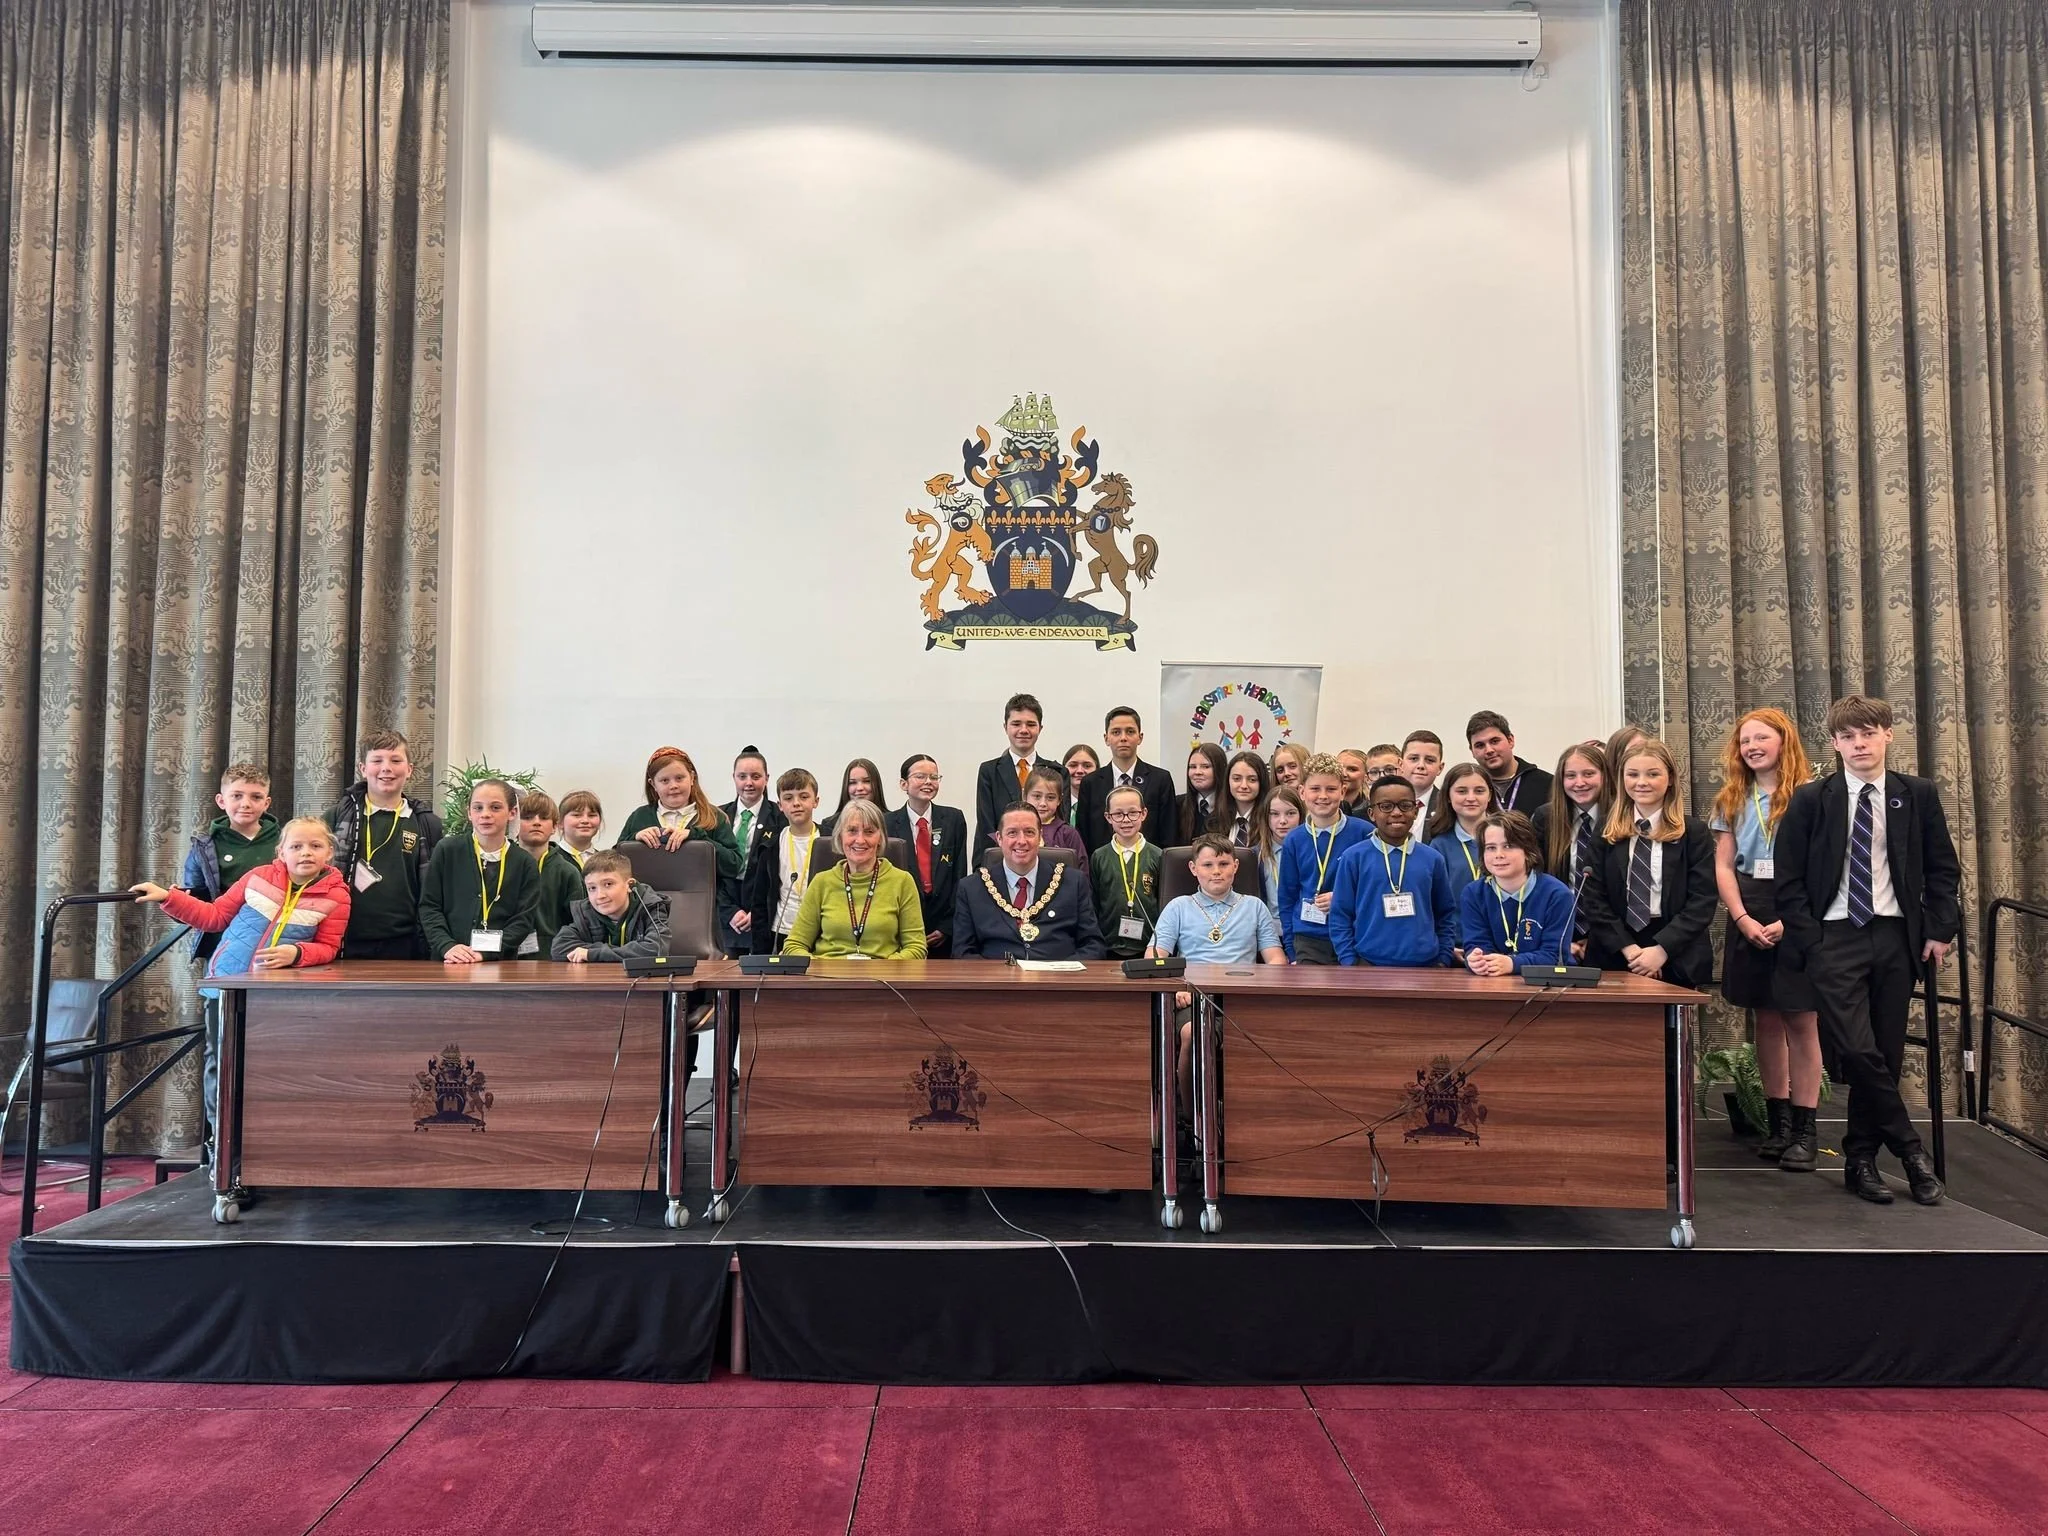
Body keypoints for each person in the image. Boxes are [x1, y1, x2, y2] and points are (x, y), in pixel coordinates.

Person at [1775, 695, 1960, 1207]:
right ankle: (1912, 1151)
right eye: (1849, 737)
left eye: (1869, 734)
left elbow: (1943, 869)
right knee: (1856, 1050)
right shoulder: (1813, 799)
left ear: (1887, 736)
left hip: (1896, 937)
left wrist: (1940, 930)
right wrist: (1810, 940)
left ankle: (1860, 1161)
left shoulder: (1915, 794)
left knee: (1885, 1053)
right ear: (1834, 743)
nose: (1860, 744)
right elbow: (1788, 879)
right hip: (1834, 936)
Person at [143, 814, 347, 1156]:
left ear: (329, 853)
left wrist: (296, 953)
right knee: (221, 1064)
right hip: (226, 986)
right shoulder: (256, 878)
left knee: (267, 1070)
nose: (305, 853)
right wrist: (167, 897)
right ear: (280, 852)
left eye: (315, 846)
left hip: (277, 998)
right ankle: (221, 1147)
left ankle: (263, 1148)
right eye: (296, 846)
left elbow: (329, 947)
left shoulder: (337, 896)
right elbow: (213, 917)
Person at [1711, 708, 1822, 1171]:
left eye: (1761, 738)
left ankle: (1805, 1129)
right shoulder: (1732, 798)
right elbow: (1723, 865)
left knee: (1801, 1022)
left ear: (1784, 742)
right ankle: (1776, 1125)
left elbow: (1824, 868)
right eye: (1744, 740)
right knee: (1767, 1023)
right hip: (1749, 909)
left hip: (1798, 910)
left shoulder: (1811, 798)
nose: (1752, 746)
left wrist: (1791, 922)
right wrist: (1740, 918)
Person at [177, 763, 281, 1144]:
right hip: (225, 962)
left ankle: (267, 1139)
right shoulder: (205, 847)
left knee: (272, 1052)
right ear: (222, 800)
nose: (246, 804)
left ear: (267, 802)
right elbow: (198, 902)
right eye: (237, 796)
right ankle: (220, 1140)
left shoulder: (284, 844)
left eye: (255, 797)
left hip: (277, 962)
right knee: (221, 1052)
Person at [1150, 835, 1290, 1106]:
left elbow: (1276, 960)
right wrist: (1178, 986)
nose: (1216, 871)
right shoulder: (1178, 907)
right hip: (1193, 997)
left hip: (1242, 998)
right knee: (1193, 1032)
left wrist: (1262, 988)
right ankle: (1193, 1118)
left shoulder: (1254, 906)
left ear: (1236, 866)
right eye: (1208, 865)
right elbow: (1155, 957)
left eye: (1224, 864)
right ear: (1193, 869)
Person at [1578, 739, 1716, 988]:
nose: (1641, 782)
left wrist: (1660, 951)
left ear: (1671, 778)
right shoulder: (1605, 829)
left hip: (1674, 949)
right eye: (1632, 774)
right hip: (1615, 948)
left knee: (1668, 1027)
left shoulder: (1694, 833)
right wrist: (1630, 950)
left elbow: (1702, 901)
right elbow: (1593, 896)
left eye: (1653, 774)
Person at [324, 728, 444, 960]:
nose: (386, 768)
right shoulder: (338, 817)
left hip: (407, 943)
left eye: (396, 760)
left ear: (409, 770)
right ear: (363, 769)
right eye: (377, 760)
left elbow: (436, 889)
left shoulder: (427, 823)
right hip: (344, 940)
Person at [1329, 774, 1458, 967]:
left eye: (1405, 805)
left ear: (1415, 811)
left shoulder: (1433, 859)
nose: (1396, 813)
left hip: (1426, 965)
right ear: (1371, 813)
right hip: (1368, 965)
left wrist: (1443, 959)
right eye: (1386, 806)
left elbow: (1445, 914)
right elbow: (1340, 914)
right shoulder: (1353, 858)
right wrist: (1350, 961)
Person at [954, 805, 1106, 960]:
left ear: (1040, 837)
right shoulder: (971, 888)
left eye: (1029, 832)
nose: (1021, 841)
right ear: (999, 838)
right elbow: (962, 952)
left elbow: (1093, 945)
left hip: (1058, 981)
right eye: (1012, 833)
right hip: (998, 982)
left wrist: (1059, 975)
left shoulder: (1073, 882)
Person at [781, 799, 927, 960]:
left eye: (869, 832)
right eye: (852, 831)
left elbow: (916, 948)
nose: (860, 840)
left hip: (883, 980)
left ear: (880, 838)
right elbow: (794, 946)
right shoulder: (821, 882)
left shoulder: (902, 882)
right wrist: (825, 969)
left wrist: (881, 969)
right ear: (840, 836)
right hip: (828, 979)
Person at [422, 778, 542, 964]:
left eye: (495, 807)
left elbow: (523, 920)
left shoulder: (524, 862)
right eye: (478, 808)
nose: (485, 814)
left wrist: (484, 954)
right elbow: (429, 906)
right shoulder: (447, 850)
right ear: (469, 813)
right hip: (450, 960)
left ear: (512, 812)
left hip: (499, 964)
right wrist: (447, 945)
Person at [1276, 753, 1367, 964]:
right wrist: (1291, 947)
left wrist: (1342, 898)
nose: (1323, 796)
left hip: (1354, 934)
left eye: (1331, 789)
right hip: (1309, 939)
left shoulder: (1364, 834)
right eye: (1315, 789)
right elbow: (1287, 897)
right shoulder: (1294, 840)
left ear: (1343, 791)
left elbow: (1374, 889)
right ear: (1302, 792)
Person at [1460, 812, 1576, 975]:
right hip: (1491, 983)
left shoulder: (1557, 894)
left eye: (1508, 846)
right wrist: (1477, 960)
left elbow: (1555, 956)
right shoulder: (1473, 893)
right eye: (1491, 848)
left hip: (1547, 985)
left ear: (1528, 851)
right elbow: (1476, 944)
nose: (1499, 855)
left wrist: (1513, 963)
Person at [1531, 742, 1612, 959]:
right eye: (1571, 776)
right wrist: (1561, 938)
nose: (1579, 783)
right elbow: (1537, 882)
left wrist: (1597, 938)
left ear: (1605, 776)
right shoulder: (1545, 818)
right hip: (1558, 936)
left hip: (1611, 939)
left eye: (1588, 774)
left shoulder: (1621, 819)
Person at [887, 754, 968, 959]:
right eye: (920, 776)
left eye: (934, 777)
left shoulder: (953, 819)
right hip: (900, 928)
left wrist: (947, 927)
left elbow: (959, 876)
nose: (928, 782)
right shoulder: (887, 822)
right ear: (903, 784)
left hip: (943, 931)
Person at [618, 747, 743, 878]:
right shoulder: (639, 817)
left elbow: (735, 866)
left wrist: (698, 838)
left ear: (692, 778)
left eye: (679, 778)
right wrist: (633, 840)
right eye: (665, 781)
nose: (673, 786)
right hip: (647, 897)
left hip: (702, 897)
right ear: (653, 784)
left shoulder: (713, 817)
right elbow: (613, 864)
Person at [740, 767, 824, 954]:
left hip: (822, 932)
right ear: (779, 805)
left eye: (804, 796)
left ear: (816, 801)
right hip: (781, 932)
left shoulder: (830, 841)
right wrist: (760, 952)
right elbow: (759, 901)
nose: (796, 803)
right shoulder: (769, 844)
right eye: (788, 798)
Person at [1075, 706, 1177, 853]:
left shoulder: (1160, 779)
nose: (1123, 738)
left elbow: (1169, 833)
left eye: (1130, 731)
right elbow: (1084, 834)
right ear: (1106, 738)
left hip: (1149, 869)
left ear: (1140, 737)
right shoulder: (1091, 783)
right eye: (1116, 732)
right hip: (1102, 870)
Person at [974, 692, 1063, 855]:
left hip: (1047, 857)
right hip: (1001, 859)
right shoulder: (989, 771)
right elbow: (986, 824)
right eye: (1016, 724)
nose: (1023, 730)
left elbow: (1060, 824)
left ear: (1040, 728)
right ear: (1005, 727)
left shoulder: (1056, 772)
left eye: (1030, 724)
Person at [553, 850, 673, 964]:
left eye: (608, 884)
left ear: (629, 885)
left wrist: (592, 953)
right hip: (600, 982)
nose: (600, 896)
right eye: (592, 888)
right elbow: (559, 948)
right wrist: (625, 952)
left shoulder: (650, 906)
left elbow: (656, 950)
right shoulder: (586, 911)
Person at [718, 747, 783, 956]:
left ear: (766, 778)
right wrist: (730, 911)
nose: (749, 783)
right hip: (725, 917)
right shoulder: (716, 817)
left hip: (763, 917)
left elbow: (779, 874)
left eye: (756, 776)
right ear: (733, 778)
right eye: (742, 776)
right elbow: (709, 873)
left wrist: (758, 912)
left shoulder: (780, 818)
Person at [1090, 784, 1162, 959]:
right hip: (1109, 944)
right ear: (1108, 817)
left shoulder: (1157, 855)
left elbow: (1161, 900)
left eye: (1133, 813)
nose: (1126, 819)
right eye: (1118, 814)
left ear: (1143, 813)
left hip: (1147, 946)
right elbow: (1095, 901)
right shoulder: (1099, 856)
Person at [1423, 761, 1497, 917]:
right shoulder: (1439, 845)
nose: (1471, 798)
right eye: (1462, 791)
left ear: (1489, 795)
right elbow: (1435, 899)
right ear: (1448, 796)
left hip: (1504, 935)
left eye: (1479, 791)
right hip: (1457, 937)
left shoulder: (1508, 837)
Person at [516, 791, 585, 957]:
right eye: (528, 817)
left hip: (553, 957)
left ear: (555, 826)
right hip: (505, 956)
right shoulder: (501, 866)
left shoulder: (567, 871)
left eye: (544, 818)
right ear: (513, 823)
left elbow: (576, 924)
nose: (536, 823)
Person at [1466, 710, 1553, 816]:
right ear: (1472, 752)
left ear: (1510, 740)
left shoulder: (1547, 784)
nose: (1489, 750)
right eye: (1480, 745)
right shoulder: (1466, 791)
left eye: (1495, 741)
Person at [1254, 786, 1305, 915]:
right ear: (1266, 817)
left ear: (1301, 815)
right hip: (1269, 926)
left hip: (1301, 925)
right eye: (1275, 814)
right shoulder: (1256, 855)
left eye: (1290, 813)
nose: (1282, 821)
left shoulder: (1311, 851)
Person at [1023, 763, 1088, 860]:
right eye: (1037, 796)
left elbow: (1081, 870)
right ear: (1024, 796)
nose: (1043, 803)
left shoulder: (1068, 834)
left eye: (1050, 798)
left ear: (1059, 800)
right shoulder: (1013, 830)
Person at [821, 757, 891, 836]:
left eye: (867, 781)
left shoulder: (891, 822)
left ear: (876, 785)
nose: (859, 788)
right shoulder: (829, 825)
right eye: (852, 783)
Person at [1178, 742, 1228, 842]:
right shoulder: (1177, 805)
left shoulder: (1232, 806)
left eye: (1205, 766)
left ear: (1220, 769)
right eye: (1192, 767)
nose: (1197, 772)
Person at [1219, 751, 1270, 847]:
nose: (1243, 786)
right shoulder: (1214, 821)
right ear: (1228, 781)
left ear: (1262, 783)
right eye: (1237, 779)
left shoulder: (1271, 821)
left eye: (1252, 780)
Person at [1401, 730, 1445, 830]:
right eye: (1413, 758)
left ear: (1440, 768)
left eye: (1430, 760)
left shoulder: (1447, 807)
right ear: (1400, 764)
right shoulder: (1384, 804)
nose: (1421, 765)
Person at [555, 790, 604, 869]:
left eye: (591, 815)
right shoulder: (550, 860)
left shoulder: (606, 862)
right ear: (560, 822)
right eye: (577, 815)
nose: (585, 821)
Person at [1336, 749, 1370, 817]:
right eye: (1339, 768)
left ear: (1366, 777)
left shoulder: (1372, 809)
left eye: (1352, 769)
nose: (1344, 774)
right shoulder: (1321, 803)